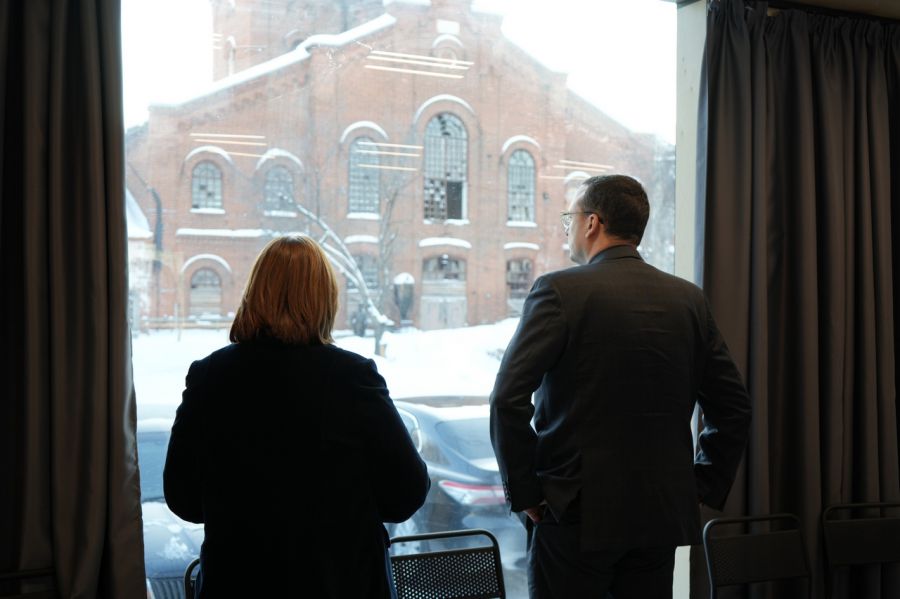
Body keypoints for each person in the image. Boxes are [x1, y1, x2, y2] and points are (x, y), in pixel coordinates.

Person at [489, 175, 751, 598]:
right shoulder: (688, 299)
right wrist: (700, 484)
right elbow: (733, 407)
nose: (568, 228)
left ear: (592, 222)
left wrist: (527, 493)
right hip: (659, 514)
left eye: (570, 218)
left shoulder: (558, 291)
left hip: (576, 513)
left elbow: (507, 398)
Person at [163, 235, 429, 598]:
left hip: (236, 584)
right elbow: (406, 493)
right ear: (325, 299)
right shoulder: (352, 377)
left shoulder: (208, 376)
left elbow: (182, 497)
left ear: (254, 293)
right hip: (338, 584)